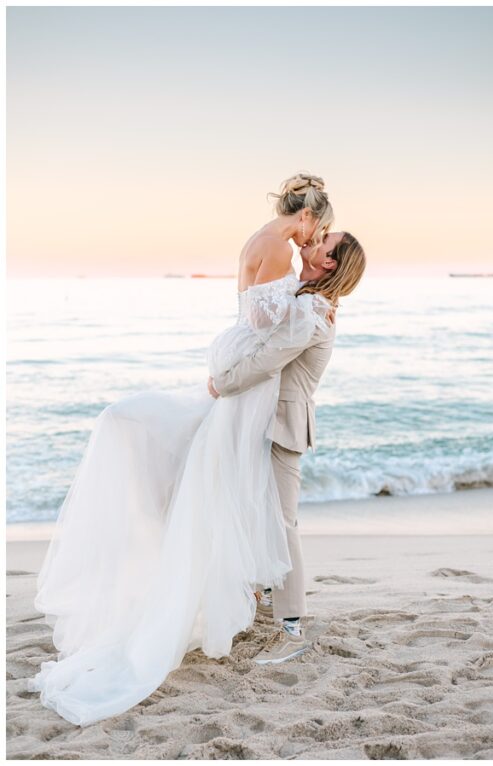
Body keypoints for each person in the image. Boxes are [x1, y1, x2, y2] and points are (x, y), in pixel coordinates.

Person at [31, 174, 344, 725]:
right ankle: (267, 609)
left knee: (258, 508)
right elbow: (268, 331)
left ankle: (281, 615)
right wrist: (241, 364)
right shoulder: (280, 255)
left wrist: (302, 312)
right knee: (236, 500)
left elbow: (271, 339)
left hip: (274, 413)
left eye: (323, 243)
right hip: (255, 401)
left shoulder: (276, 259)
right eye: (319, 232)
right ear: (308, 217)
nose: (315, 242)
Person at [208, 232, 366, 665]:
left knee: (282, 521)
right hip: (261, 420)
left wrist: (222, 383)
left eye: (323, 241)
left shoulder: (314, 313)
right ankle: (255, 595)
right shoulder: (302, 294)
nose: (313, 240)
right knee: (248, 508)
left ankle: (292, 624)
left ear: (329, 263)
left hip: (284, 425)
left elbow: (268, 358)